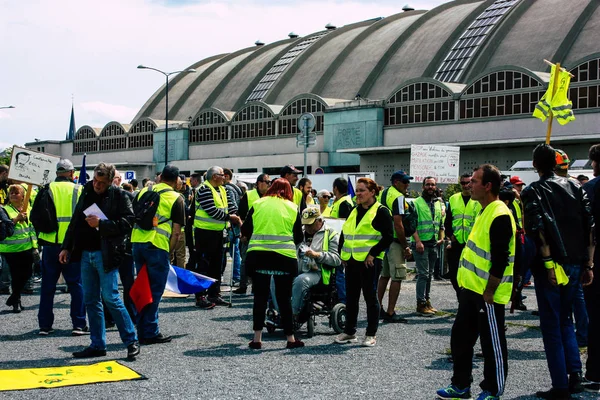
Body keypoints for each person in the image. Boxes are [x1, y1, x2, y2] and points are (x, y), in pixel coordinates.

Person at [436, 164, 515, 400]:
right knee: (460, 339)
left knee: (492, 345)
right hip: (471, 290)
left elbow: (500, 259)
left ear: (488, 186)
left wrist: (490, 291)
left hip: (487, 294)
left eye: (475, 181)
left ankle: (492, 390)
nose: (470, 185)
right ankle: (461, 385)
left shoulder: (499, 213)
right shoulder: (484, 209)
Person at [521, 144, 594, 399]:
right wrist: (588, 264)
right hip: (575, 261)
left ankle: (560, 385)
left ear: (535, 165)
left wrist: (549, 262)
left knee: (552, 324)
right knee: (565, 320)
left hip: (551, 264)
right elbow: (589, 227)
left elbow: (538, 229)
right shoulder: (575, 186)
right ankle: (574, 375)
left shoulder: (533, 191)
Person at [60, 163, 139, 359]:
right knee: (91, 300)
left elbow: (128, 222)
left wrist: (101, 224)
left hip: (107, 254)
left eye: (101, 182)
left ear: (111, 181)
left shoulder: (120, 196)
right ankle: (97, 344)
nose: (96, 184)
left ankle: (131, 340)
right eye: (95, 180)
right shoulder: (87, 191)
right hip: (86, 254)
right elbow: (76, 221)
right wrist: (66, 247)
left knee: (111, 298)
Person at [242, 178, 304, 349]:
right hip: (284, 258)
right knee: (284, 299)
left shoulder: (258, 203)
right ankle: (291, 339)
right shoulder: (292, 208)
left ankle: (257, 339)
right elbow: (299, 237)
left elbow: (245, 229)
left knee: (260, 297)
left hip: (258, 257)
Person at [335, 178, 393, 347]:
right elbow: (345, 234)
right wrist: (343, 255)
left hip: (369, 262)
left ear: (372, 192)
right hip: (352, 260)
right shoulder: (354, 210)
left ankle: (370, 334)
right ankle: (349, 332)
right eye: (357, 191)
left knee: (370, 297)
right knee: (351, 297)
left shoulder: (381, 211)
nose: (358, 194)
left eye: (362, 191)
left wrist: (373, 254)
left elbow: (388, 236)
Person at [131, 165, 185, 344]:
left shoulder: (143, 191)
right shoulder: (176, 198)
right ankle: (150, 331)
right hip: (157, 246)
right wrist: (169, 252)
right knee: (155, 290)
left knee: (143, 285)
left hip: (138, 242)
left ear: (161, 177)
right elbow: (177, 232)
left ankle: (140, 325)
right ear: (176, 179)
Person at [34, 159, 87, 335]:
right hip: (73, 245)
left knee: (48, 286)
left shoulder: (46, 189)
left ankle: (45, 325)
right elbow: (92, 216)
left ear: (56, 173)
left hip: (50, 244)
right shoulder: (79, 190)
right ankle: (79, 324)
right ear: (72, 173)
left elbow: (35, 216)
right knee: (76, 285)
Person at [194, 166, 241, 308]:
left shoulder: (223, 189)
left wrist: (235, 215)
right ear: (214, 176)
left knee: (217, 264)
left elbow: (230, 206)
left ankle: (214, 293)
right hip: (204, 232)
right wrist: (230, 218)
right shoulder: (203, 189)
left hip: (219, 232)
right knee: (203, 265)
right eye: (222, 174)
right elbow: (212, 211)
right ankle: (200, 296)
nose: (224, 176)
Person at [292, 206, 341, 318]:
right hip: (298, 269)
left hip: (318, 273)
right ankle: (280, 312)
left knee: (301, 280)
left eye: (310, 224)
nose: (307, 227)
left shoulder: (331, 234)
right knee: (275, 279)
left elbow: (337, 259)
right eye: (305, 224)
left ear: (319, 220)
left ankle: (293, 314)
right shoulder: (301, 232)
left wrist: (317, 255)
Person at [377, 170, 413, 323]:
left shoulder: (384, 193)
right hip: (395, 241)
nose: (407, 185)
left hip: (383, 240)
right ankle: (391, 312)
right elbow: (398, 224)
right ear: (396, 182)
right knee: (397, 276)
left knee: (384, 275)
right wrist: (405, 245)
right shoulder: (398, 197)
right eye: (405, 182)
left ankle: (377, 308)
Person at [0, 184, 37, 313]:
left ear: (23, 196)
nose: (13, 195)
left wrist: (35, 246)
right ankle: (16, 301)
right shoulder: (4, 210)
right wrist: (16, 219)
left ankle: (14, 297)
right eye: (11, 193)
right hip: (10, 248)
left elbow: (32, 229)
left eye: (16, 193)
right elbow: (4, 229)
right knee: (16, 276)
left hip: (26, 247)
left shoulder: (30, 209)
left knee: (26, 274)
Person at [445, 173, 481, 299]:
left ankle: (469, 299)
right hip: (457, 243)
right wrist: (450, 235)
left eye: (469, 183)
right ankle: (461, 296)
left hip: (472, 244)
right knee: (454, 273)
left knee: (471, 274)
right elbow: (448, 220)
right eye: (463, 183)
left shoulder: (477, 199)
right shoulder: (453, 198)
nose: (466, 186)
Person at [412, 176, 444, 316]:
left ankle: (427, 301)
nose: (430, 187)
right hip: (421, 244)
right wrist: (418, 241)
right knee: (423, 274)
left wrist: (441, 238)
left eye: (433, 185)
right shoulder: (416, 203)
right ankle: (421, 303)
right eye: (428, 185)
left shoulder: (438, 203)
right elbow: (411, 224)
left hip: (433, 243)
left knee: (429, 275)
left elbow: (441, 222)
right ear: (423, 186)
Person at [234, 173, 270, 295]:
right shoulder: (249, 195)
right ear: (259, 183)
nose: (269, 185)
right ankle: (243, 286)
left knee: (261, 262)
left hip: (264, 234)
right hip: (249, 234)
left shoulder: (270, 196)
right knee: (245, 260)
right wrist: (243, 233)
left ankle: (256, 287)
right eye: (267, 182)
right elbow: (242, 216)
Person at [583, 143, 600, 393]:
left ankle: (596, 373)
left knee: (595, 317)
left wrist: (588, 263)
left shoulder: (591, 189)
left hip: (596, 260)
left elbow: (589, 230)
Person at [223, 168, 242, 285]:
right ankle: (237, 276)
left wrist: (231, 218)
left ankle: (237, 276)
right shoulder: (236, 188)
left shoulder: (228, 189)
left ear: (226, 176)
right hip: (235, 224)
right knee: (235, 251)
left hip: (231, 224)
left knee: (233, 251)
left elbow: (233, 206)